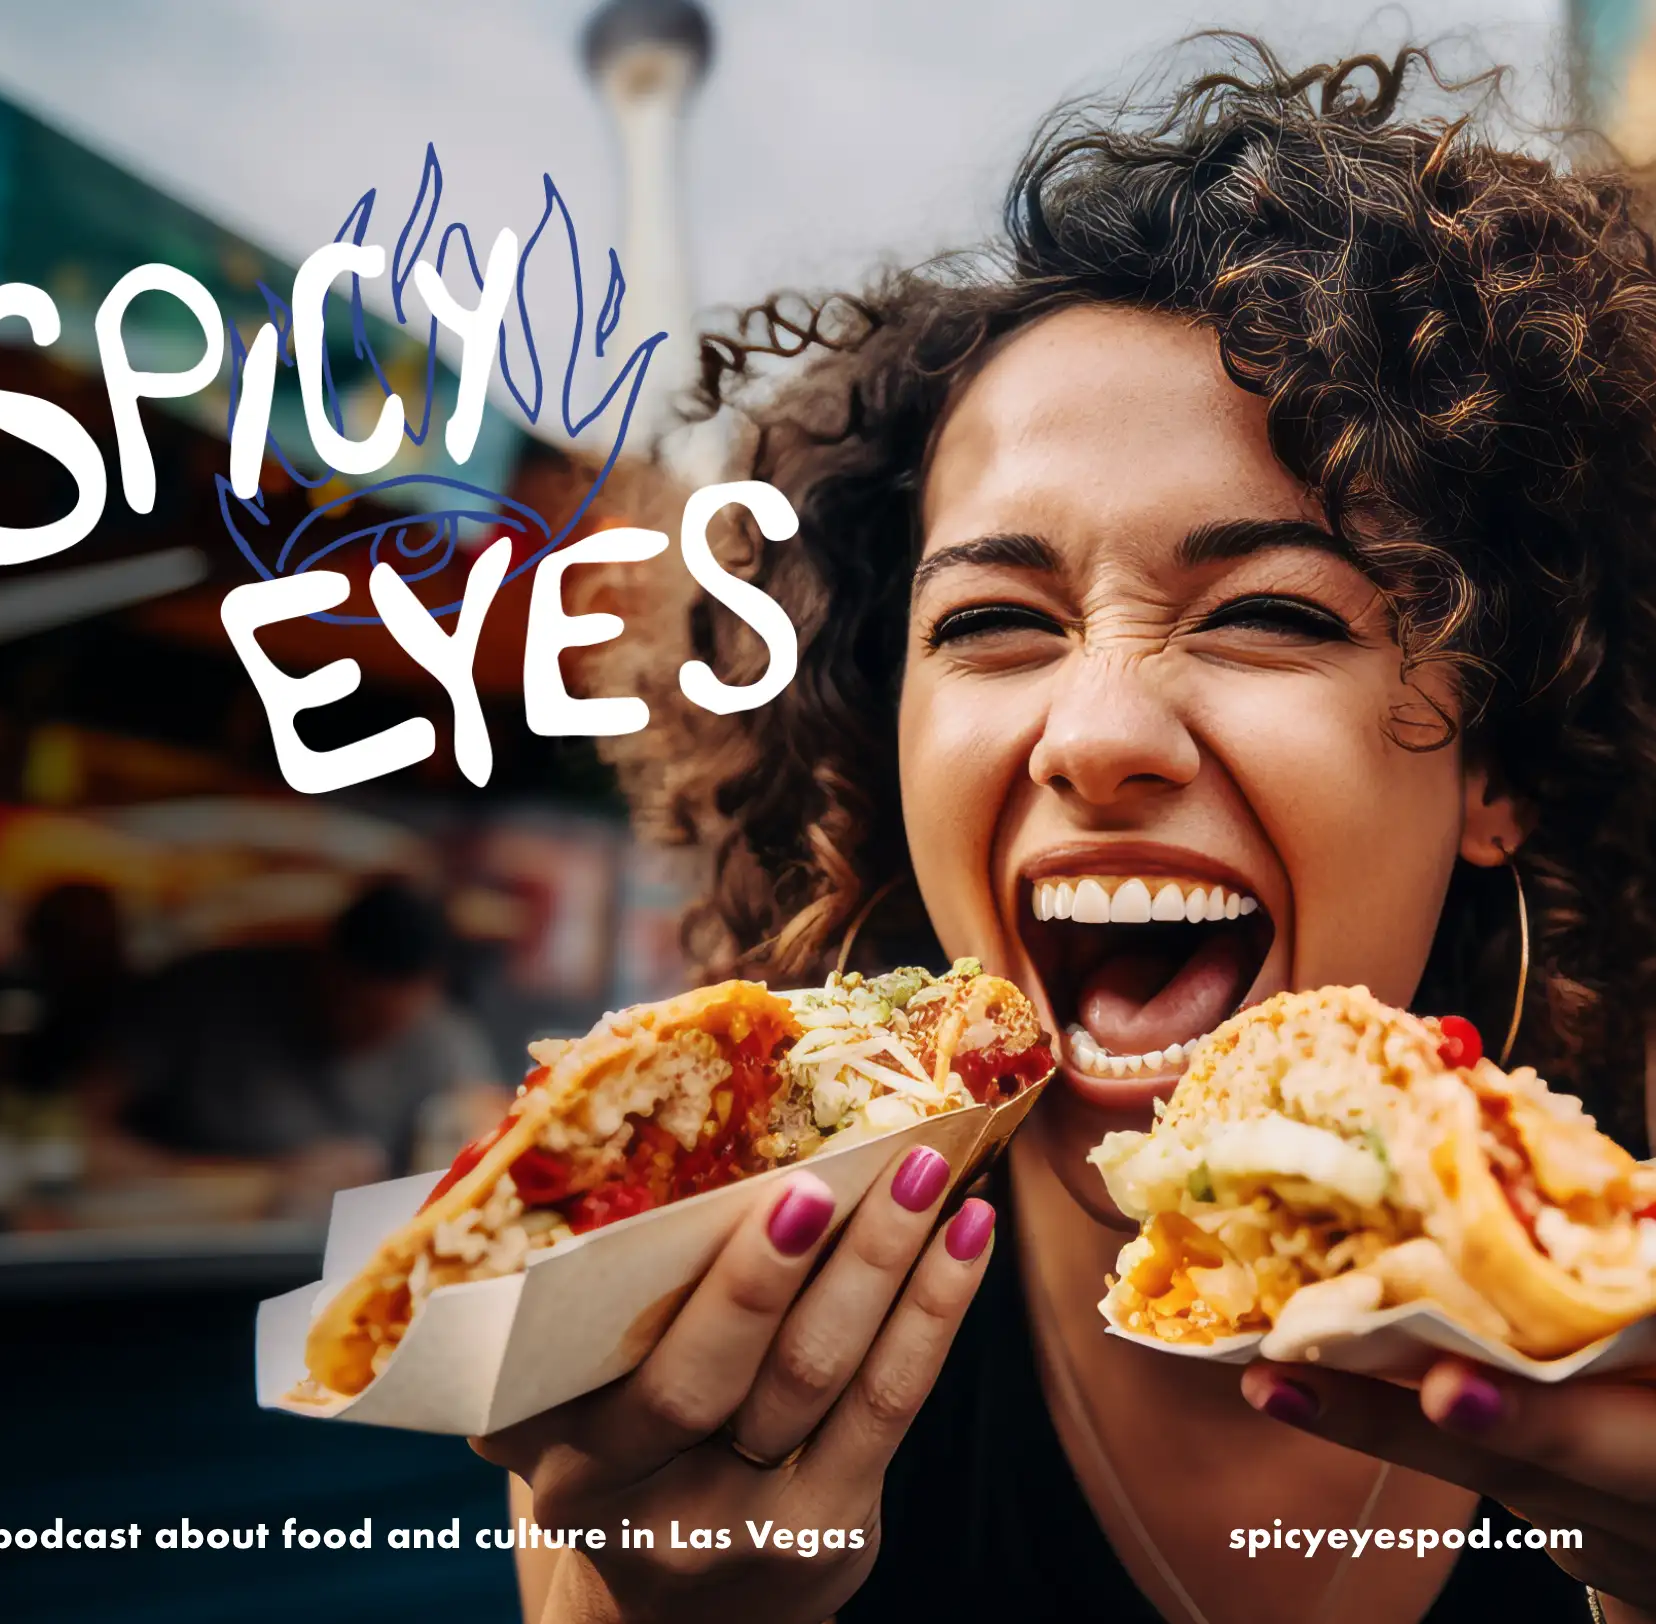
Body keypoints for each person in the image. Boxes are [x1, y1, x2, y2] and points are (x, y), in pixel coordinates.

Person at [477, 42, 1656, 1624]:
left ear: (1497, 768)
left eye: (1270, 612)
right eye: (988, 623)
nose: (1096, 735)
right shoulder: (668, 1383)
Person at [113, 878, 501, 1207]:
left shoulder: (442, 1036)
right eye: (352, 1009)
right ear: (324, 964)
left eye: (384, 1026)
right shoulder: (202, 1000)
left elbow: (490, 1146)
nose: (359, 1033)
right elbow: (80, 1145)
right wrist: (260, 1182)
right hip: (185, 1262)